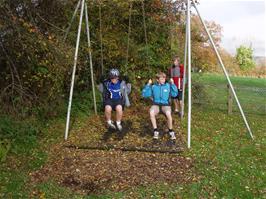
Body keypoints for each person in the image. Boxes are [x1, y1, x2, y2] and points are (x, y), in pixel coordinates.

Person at [142, 72, 178, 140]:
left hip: (165, 105)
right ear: (157, 80)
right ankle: (155, 131)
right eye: (161, 79)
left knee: (168, 114)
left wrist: (173, 84)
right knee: (151, 112)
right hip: (156, 105)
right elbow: (145, 94)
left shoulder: (168, 86)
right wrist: (148, 84)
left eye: (164, 79)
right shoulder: (153, 87)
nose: (163, 80)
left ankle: (171, 131)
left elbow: (175, 94)